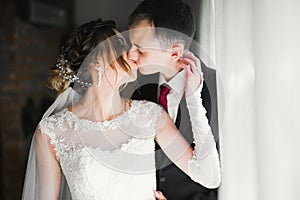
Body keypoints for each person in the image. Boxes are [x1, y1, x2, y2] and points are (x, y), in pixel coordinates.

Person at [22, 18, 220, 200]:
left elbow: (209, 176)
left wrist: (193, 99)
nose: (133, 52)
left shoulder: (151, 116)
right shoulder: (51, 132)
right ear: (95, 62)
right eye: (120, 45)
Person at [126, 0, 221, 199]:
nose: (130, 55)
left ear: (175, 52)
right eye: (130, 45)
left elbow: (230, 171)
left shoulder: (217, 88)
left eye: (141, 50)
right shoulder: (140, 91)